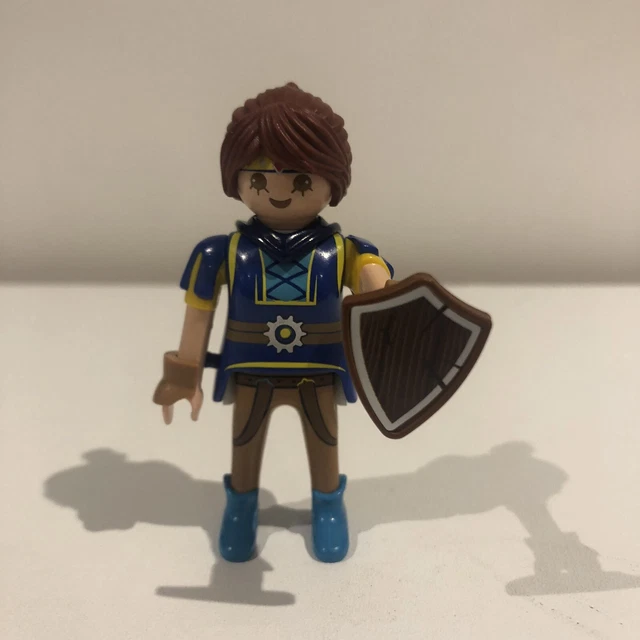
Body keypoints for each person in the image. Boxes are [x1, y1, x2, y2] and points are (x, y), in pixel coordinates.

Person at [154, 83, 393, 563]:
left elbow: (377, 291)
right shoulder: (220, 252)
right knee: (245, 443)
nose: (279, 192)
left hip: (319, 370)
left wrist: (378, 283)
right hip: (251, 371)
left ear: (332, 181)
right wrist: (183, 374)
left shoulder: (344, 252)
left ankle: (328, 504)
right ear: (237, 180)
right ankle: (241, 505)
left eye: (300, 181)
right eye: (260, 179)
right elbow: (198, 315)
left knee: (324, 443)